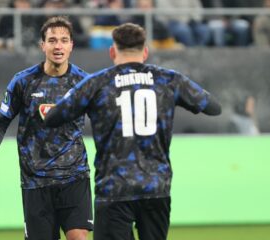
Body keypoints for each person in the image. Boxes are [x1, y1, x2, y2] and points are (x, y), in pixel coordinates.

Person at [45, 23, 222, 240]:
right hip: (156, 188)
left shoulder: (97, 83)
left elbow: (52, 118)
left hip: (113, 188)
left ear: (112, 51)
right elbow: (214, 107)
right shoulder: (168, 80)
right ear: (145, 52)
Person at [0, 16, 93, 240]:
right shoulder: (23, 82)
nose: (58, 46)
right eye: (52, 40)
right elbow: (1, 121)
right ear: (43, 46)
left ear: (71, 45)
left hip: (74, 177)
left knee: (78, 237)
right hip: (35, 181)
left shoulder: (85, 83)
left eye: (63, 40)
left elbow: (103, 120)